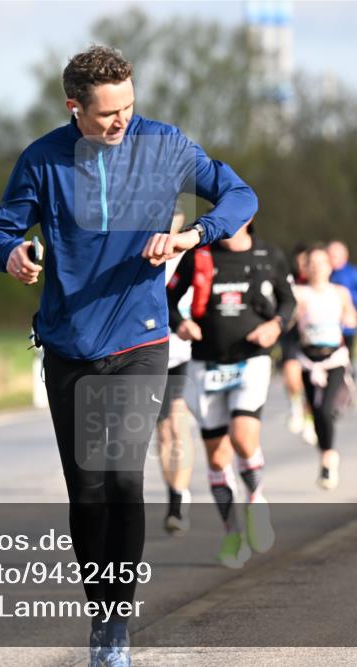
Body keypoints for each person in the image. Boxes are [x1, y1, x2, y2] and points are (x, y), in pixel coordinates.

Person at [0, 45, 257, 667]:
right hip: (69, 343)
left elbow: (240, 196)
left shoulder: (165, 146)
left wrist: (192, 234)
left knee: (124, 477)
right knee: (87, 491)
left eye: (129, 106)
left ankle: (115, 629)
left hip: (140, 338)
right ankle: (100, 610)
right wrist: (13, 254)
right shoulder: (42, 159)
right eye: (107, 112)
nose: (121, 120)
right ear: (74, 108)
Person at [168, 218, 294, 567]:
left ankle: (255, 499)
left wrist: (275, 326)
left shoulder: (268, 254)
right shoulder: (200, 254)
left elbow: (288, 301)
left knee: (242, 436)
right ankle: (232, 534)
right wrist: (181, 324)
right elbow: (167, 298)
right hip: (205, 364)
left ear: (248, 217)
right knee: (218, 458)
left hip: (251, 360)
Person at [293, 245, 357, 490]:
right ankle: (325, 455)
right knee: (316, 409)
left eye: (323, 263)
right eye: (313, 263)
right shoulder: (300, 293)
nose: (318, 268)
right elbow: (289, 321)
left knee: (325, 409)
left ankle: (329, 457)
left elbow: (351, 316)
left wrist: (350, 318)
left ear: (330, 267)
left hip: (334, 359)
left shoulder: (340, 292)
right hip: (308, 360)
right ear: (305, 267)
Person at [157, 208, 197, 536]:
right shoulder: (140, 252)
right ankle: (175, 493)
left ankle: (177, 503)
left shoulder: (194, 259)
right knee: (162, 432)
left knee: (177, 420)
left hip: (184, 352)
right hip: (147, 355)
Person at [281, 243, 315, 443]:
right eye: (300, 261)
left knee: (310, 383)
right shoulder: (288, 279)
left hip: (312, 338)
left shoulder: (320, 282)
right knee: (291, 374)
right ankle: (295, 407)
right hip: (292, 335)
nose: (303, 265)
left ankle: (310, 420)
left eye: (307, 261)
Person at [327, 240, 357, 368]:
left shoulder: (353, 272)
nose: (331, 259)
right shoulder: (325, 273)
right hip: (329, 324)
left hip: (347, 324)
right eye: (329, 255)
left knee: (347, 355)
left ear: (344, 256)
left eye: (334, 255)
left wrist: (346, 296)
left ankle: (350, 376)